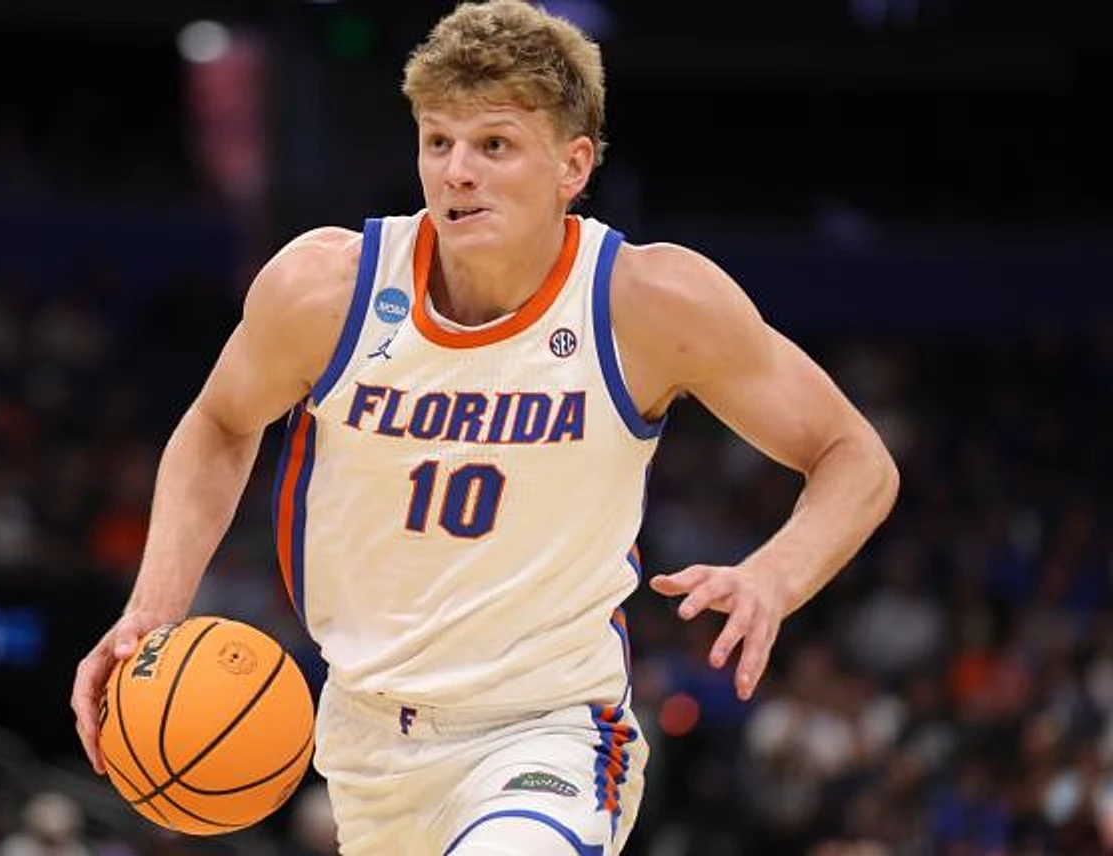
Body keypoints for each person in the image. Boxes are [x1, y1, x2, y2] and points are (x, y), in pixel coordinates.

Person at [71, 1, 900, 853]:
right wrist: (151, 613)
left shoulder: (646, 302)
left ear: (573, 164)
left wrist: (775, 577)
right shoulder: (326, 291)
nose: (457, 172)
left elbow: (855, 459)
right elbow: (218, 423)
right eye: (438, 142)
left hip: (548, 732)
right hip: (363, 739)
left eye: (494, 145)